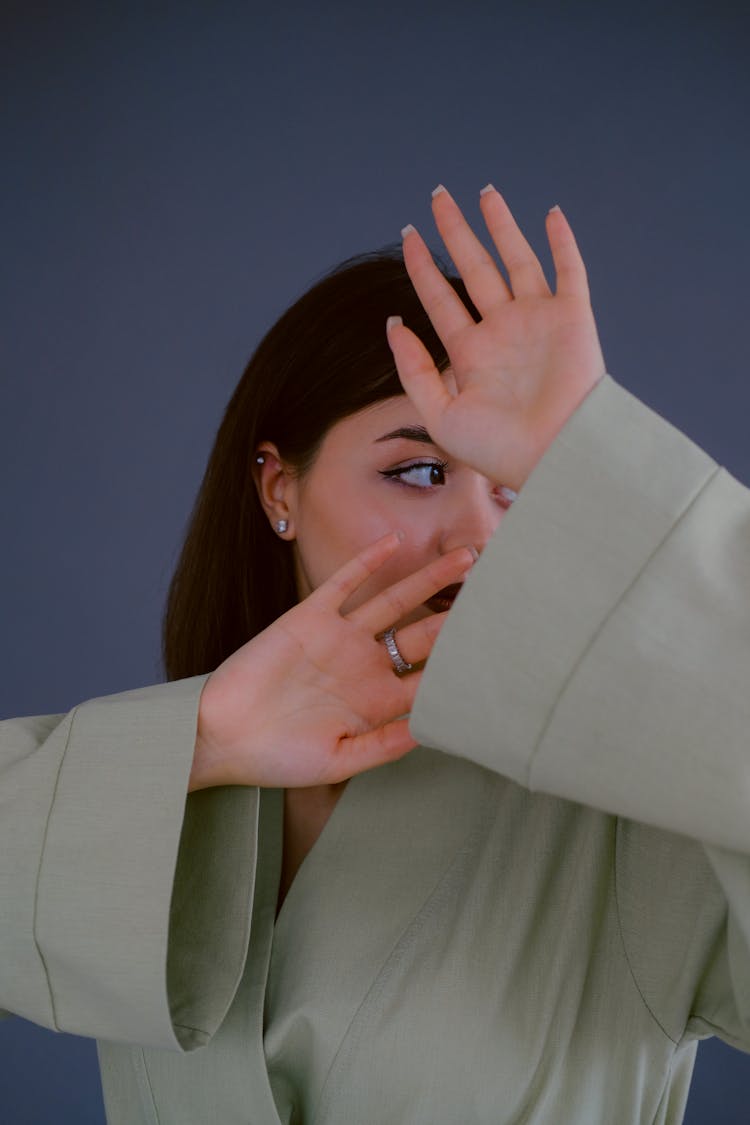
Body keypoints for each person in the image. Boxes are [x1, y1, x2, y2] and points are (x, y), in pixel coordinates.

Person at [1, 184, 749, 1125]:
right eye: (421, 472)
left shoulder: (635, 812)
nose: (475, 538)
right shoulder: (164, 791)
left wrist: (597, 459)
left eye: (520, 487)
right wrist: (209, 739)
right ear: (279, 488)